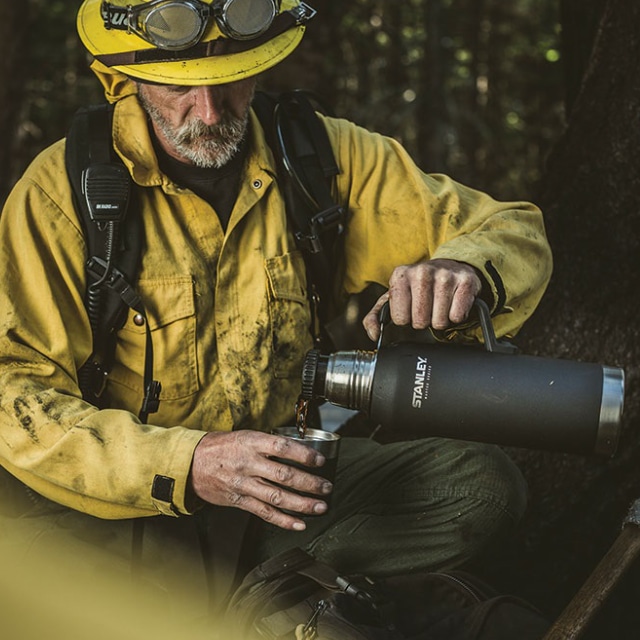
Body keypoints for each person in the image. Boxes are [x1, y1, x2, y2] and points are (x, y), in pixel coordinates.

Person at [0, 0, 552, 625]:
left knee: (480, 487)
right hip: (116, 513)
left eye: (231, 78)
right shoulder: (62, 191)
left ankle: (275, 596)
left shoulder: (318, 158)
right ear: (129, 70)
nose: (208, 112)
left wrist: (465, 269)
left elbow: (511, 229)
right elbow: (13, 392)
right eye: (179, 86)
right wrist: (188, 463)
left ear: (262, 63)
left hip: (279, 496)